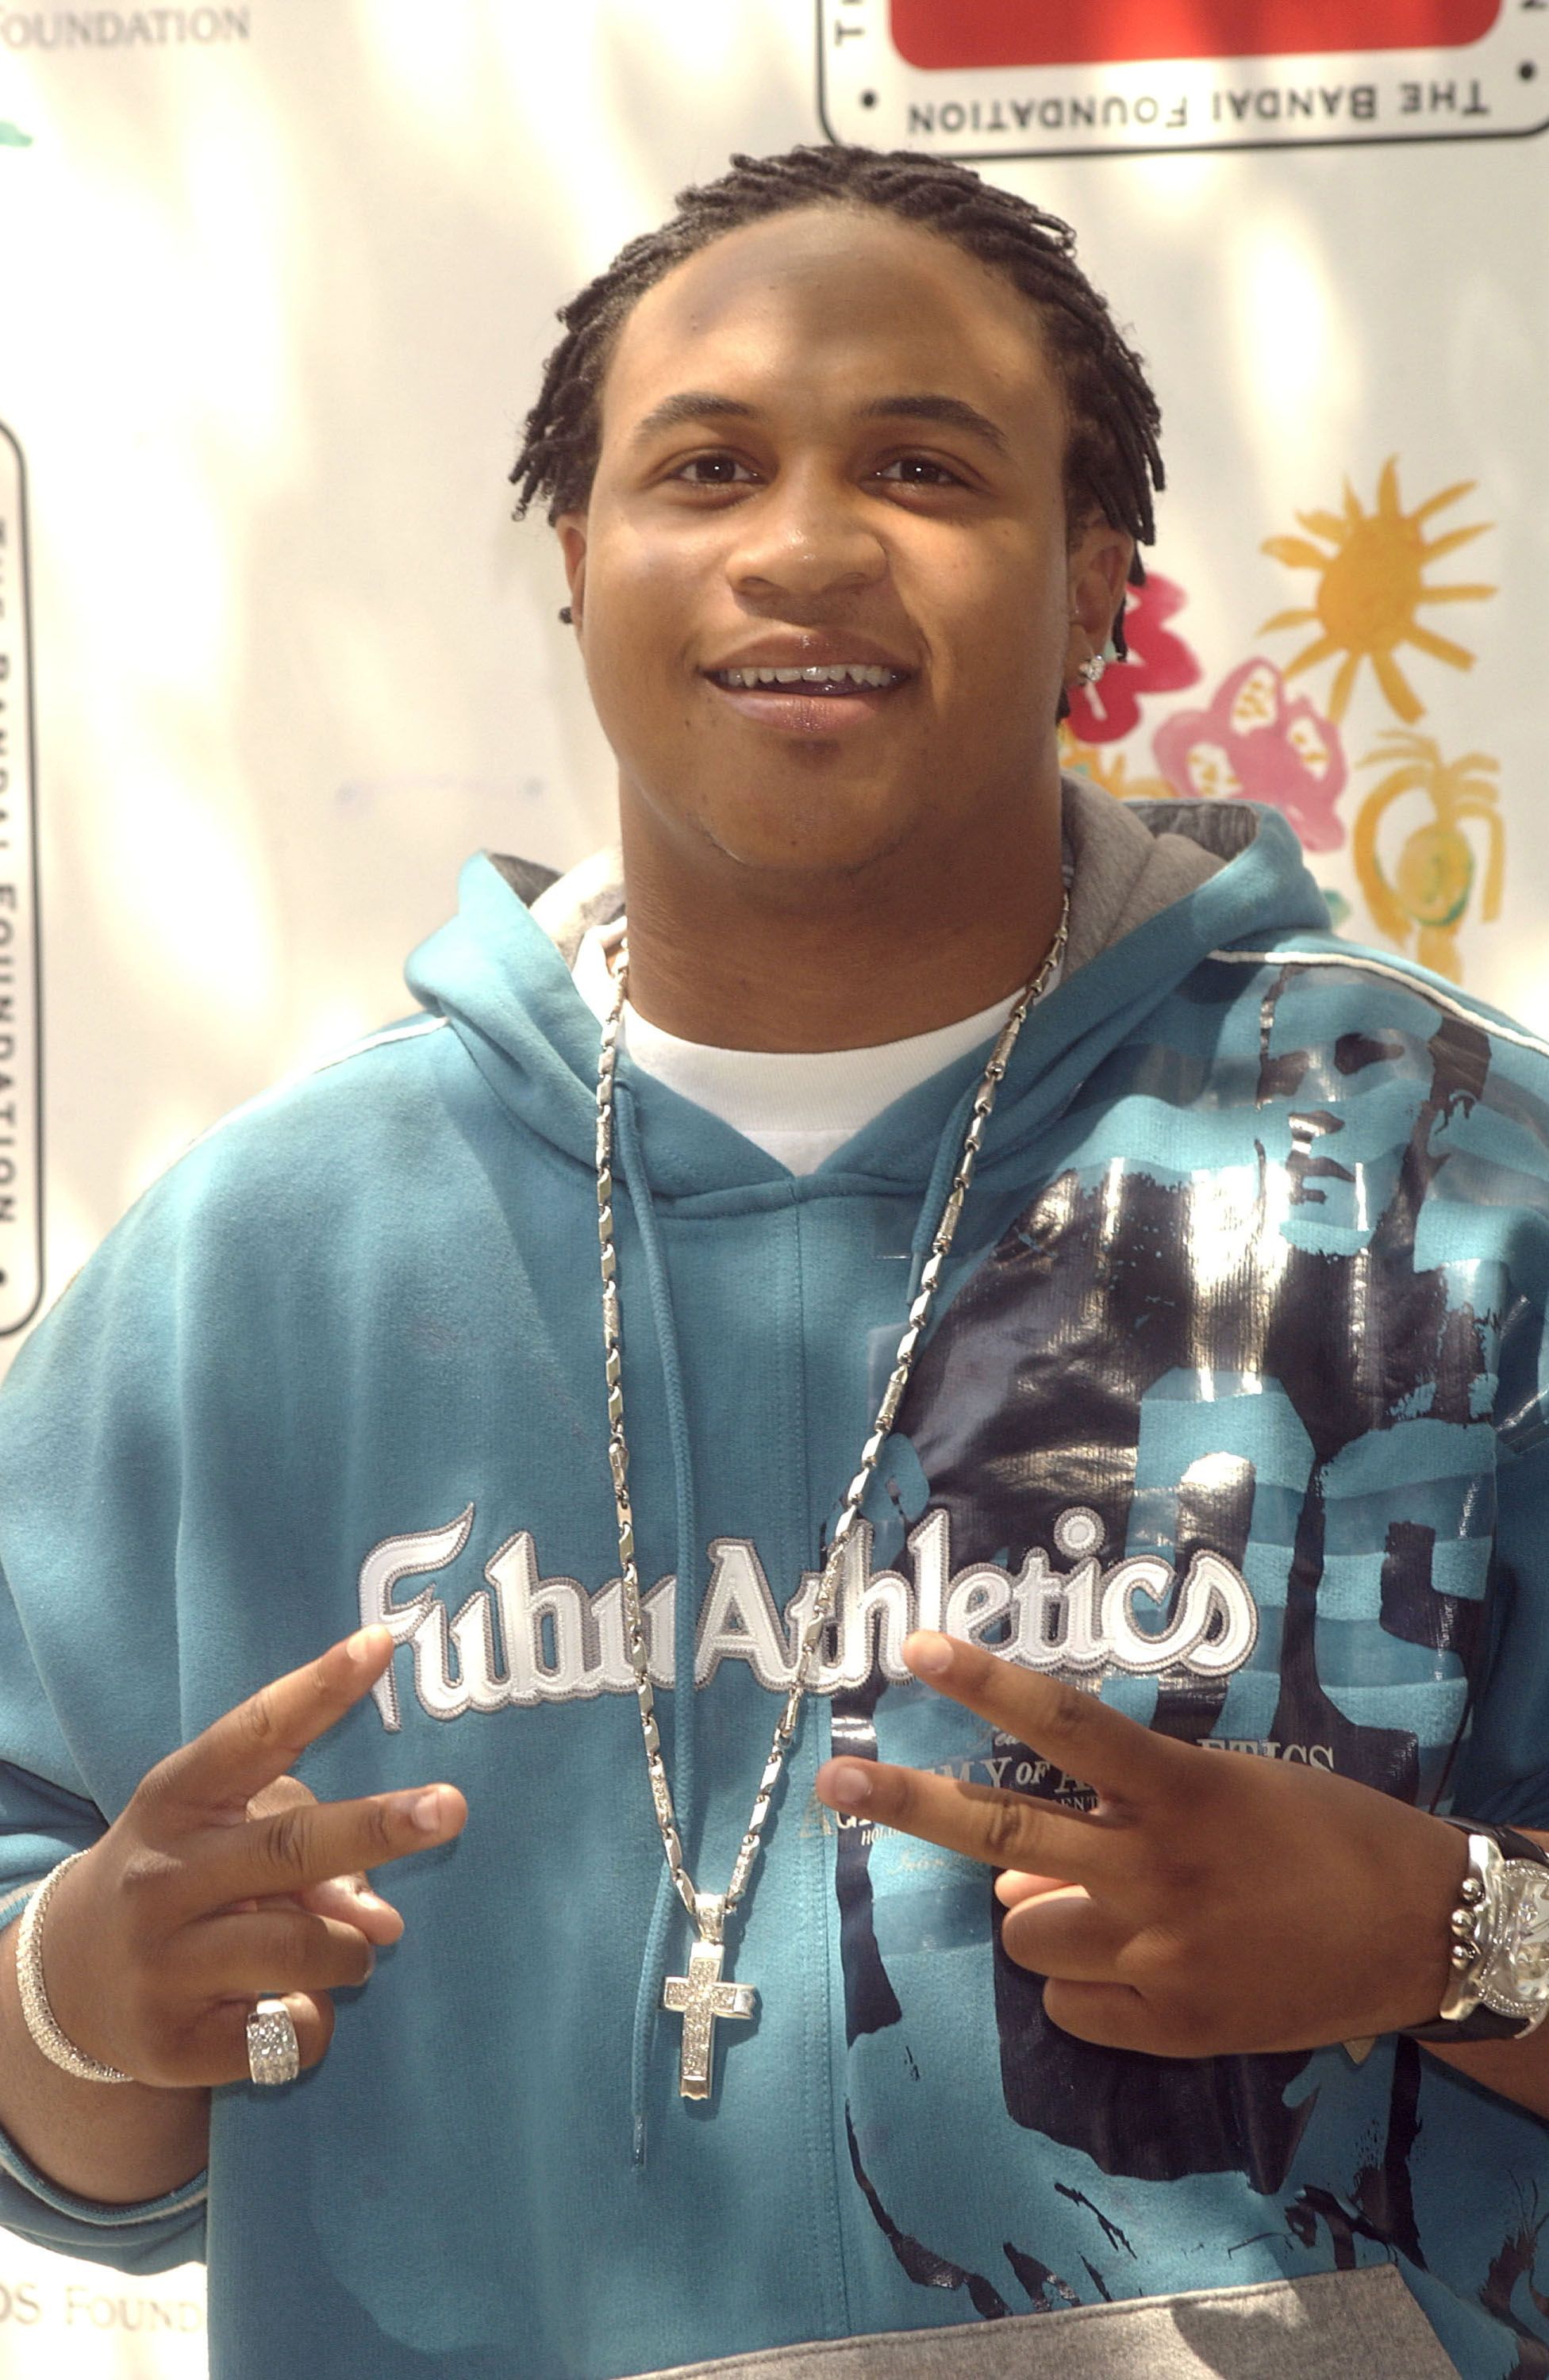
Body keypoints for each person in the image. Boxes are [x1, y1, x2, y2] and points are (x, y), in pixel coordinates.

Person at [0, 141, 1546, 2380]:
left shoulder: (1457, 1189)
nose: (804, 545)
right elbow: (61, 2042)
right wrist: (79, 1993)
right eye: (704, 466)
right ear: (579, 560)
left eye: (924, 466)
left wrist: (1457, 1936)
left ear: (1103, 582)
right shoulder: (267, 1256)